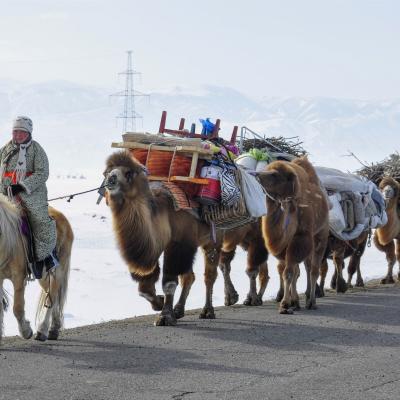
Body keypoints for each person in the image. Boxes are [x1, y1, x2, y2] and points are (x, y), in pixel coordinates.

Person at [0, 116, 58, 277]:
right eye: (15, 131)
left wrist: (22, 186)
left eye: (21, 132)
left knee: (40, 221)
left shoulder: (36, 150)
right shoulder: (5, 149)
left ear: (28, 133)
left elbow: (42, 173)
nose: (17, 135)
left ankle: (46, 256)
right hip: (4, 193)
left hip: (30, 194)